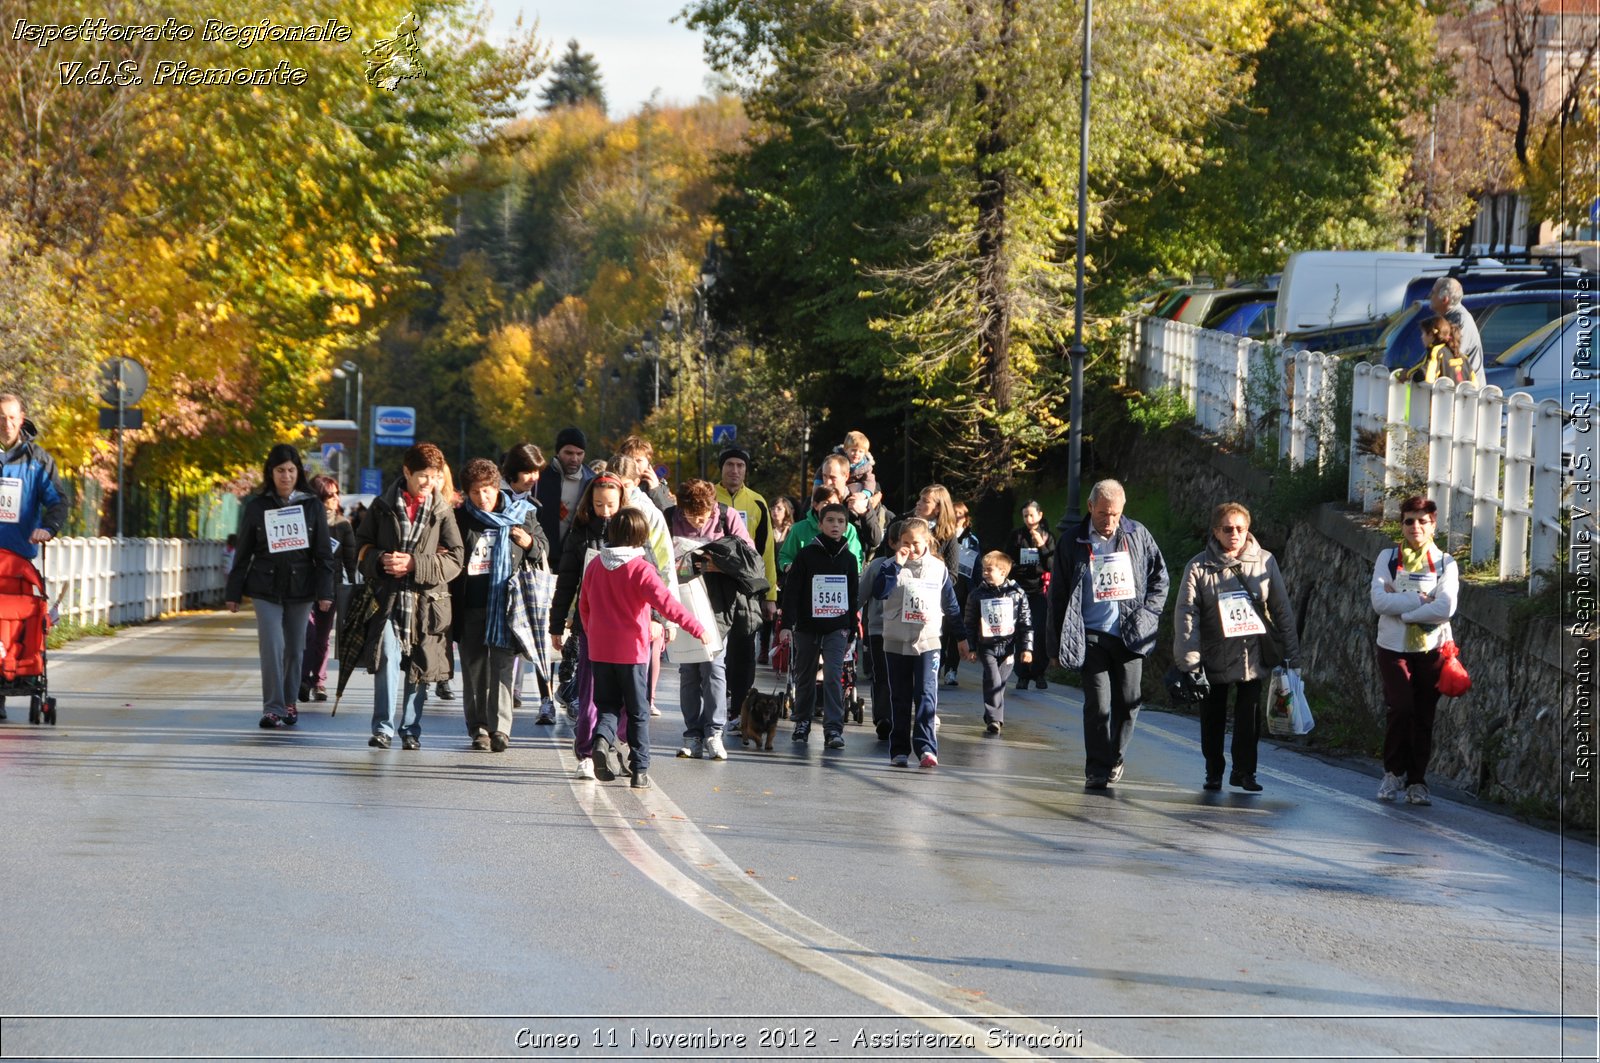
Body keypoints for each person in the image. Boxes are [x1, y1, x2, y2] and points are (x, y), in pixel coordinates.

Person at [1048, 479, 1169, 789]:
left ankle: (1115, 756)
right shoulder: (1072, 540)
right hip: (1090, 634)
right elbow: (1058, 595)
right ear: (1090, 508)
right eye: (1103, 513)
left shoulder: (1137, 534)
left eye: (1115, 514)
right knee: (1098, 705)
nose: (1109, 520)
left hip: (1130, 632)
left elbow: (1160, 577)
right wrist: (1054, 645)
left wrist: (1149, 613)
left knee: (1129, 701)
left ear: (1123, 510)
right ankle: (1097, 768)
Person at [1173, 502, 1300, 792]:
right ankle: (1213, 770)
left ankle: (1245, 772)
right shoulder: (1198, 567)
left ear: (1248, 530)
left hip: (1251, 655)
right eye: (1228, 529)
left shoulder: (1265, 562)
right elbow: (1186, 616)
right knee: (1212, 716)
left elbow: (1282, 609)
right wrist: (1190, 661)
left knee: (1249, 717)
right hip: (1213, 655)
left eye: (1240, 529)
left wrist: (1293, 654)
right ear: (1216, 531)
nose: (1235, 534)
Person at [579, 508, 710, 788]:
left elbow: (584, 606)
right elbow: (668, 606)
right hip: (632, 652)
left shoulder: (595, 565)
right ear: (640, 536)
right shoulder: (641, 569)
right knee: (638, 712)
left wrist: (593, 633)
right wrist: (697, 629)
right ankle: (640, 771)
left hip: (600, 650)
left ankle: (602, 741)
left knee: (608, 707)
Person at [355, 443, 464, 750]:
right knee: (387, 655)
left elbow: (456, 559)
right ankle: (383, 728)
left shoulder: (442, 511)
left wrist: (416, 564)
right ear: (406, 472)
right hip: (387, 598)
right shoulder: (381, 505)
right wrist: (379, 560)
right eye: (422, 476)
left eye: (433, 476)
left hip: (426, 602)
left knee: (419, 662)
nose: (428, 483)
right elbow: (360, 548)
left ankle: (410, 729)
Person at [224, 444, 336, 729]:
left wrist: (325, 592)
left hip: (302, 586)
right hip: (264, 586)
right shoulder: (258, 506)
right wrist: (233, 593)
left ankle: (289, 702)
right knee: (272, 645)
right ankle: (272, 707)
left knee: (295, 647)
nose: (285, 476)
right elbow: (243, 551)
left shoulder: (311, 505)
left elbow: (323, 553)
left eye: (290, 470)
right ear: (270, 473)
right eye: (279, 471)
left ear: (298, 472)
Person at [451, 458, 545, 752]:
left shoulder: (522, 513)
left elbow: (543, 547)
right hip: (470, 604)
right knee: (475, 668)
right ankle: (479, 728)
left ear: (497, 487)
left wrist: (528, 542)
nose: (483, 498)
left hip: (507, 604)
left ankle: (501, 729)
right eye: (476, 492)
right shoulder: (459, 519)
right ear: (467, 493)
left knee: (503, 667)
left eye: (488, 491)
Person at [1371, 495, 1459, 806]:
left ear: (1433, 524)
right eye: (1409, 520)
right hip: (1393, 647)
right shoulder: (1388, 558)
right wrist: (1422, 601)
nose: (1416, 526)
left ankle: (1417, 781)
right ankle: (1392, 772)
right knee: (1401, 707)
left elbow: (1446, 607)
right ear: (1402, 524)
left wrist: (1406, 610)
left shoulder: (1447, 562)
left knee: (1423, 715)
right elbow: (1379, 602)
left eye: (1423, 520)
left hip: (1431, 649)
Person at [665, 478, 755, 760]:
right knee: (689, 670)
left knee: (714, 667)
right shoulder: (669, 518)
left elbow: (749, 558)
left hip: (718, 603)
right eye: (689, 516)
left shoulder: (727, 517)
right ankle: (693, 734)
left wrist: (716, 564)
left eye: (701, 517)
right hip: (682, 602)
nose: (695, 522)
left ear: (712, 507)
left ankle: (714, 732)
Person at [550, 474, 628, 778]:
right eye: (598, 504)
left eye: (611, 504)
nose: (605, 511)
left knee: (627, 694)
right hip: (591, 625)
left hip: (626, 627)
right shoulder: (580, 534)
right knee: (590, 691)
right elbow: (567, 581)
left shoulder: (633, 531)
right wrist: (557, 623)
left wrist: (656, 619)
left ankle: (618, 744)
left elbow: (651, 578)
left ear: (621, 502)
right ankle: (585, 751)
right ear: (589, 502)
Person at [873, 517, 967, 769]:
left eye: (916, 543)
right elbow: (880, 592)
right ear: (897, 544)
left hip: (928, 640)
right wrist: (896, 566)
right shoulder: (890, 566)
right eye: (905, 543)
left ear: (927, 541)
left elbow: (951, 604)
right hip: (895, 639)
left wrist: (962, 637)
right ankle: (899, 750)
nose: (911, 548)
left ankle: (927, 748)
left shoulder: (939, 569)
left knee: (926, 694)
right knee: (900, 697)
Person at [0, 393, 67, 720]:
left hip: (18, 561)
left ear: (22, 417)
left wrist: (48, 528)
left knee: (14, 625)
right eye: (1, 417)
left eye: (12, 418)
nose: (7, 424)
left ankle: (17, 674)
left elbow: (57, 502)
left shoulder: (38, 461)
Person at [779, 502, 860, 748]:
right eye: (830, 521)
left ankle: (833, 729)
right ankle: (802, 721)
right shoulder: (806, 556)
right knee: (804, 675)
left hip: (837, 627)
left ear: (846, 527)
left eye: (840, 522)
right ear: (821, 524)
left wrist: (852, 628)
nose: (835, 525)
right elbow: (792, 592)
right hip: (808, 627)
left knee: (834, 676)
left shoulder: (849, 559)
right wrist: (786, 624)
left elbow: (852, 594)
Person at [715, 447, 778, 719]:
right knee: (715, 650)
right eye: (730, 464)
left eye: (740, 465)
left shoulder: (757, 502)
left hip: (746, 588)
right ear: (721, 468)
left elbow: (767, 552)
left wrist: (770, 595)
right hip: (713, 584)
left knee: (743, 650)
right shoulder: (708, 497)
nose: (735, 470)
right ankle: (718, 701)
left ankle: (740, 706)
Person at [500, 443, 557, 722]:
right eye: (529, 472)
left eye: (538, 472)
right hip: (498, 584)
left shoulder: (529, 505)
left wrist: (530, 543)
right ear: (514, 471)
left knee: (538, 641)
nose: (535, 478)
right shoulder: (494, 498)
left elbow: (543, 544)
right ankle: (502, 701)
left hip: (525, 585)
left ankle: (547, 700)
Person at [299, 475, 357, 703]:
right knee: (307, 634)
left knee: (322, 637)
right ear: (317, 497)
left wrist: (353, 586)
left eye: (336, 494)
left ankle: (319, 681)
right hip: (303, 587)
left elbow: (351, 559)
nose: (335, 498)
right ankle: (303, 679)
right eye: (329, 495)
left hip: (331, 588)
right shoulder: (302, 520)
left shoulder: (342, 525)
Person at [962, 550, 1033, 735]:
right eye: (984, 570)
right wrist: (971, 647)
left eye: (989, 570)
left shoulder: (1017, 594)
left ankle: (990, 713)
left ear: (1003, 572)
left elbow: (1026, 623)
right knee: (993, 680)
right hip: (987, 647)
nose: (985, 573)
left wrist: (1026, 648)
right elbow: (969, 623)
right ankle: (995, 719)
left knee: (998, 683)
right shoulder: (977, 595)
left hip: (1008, 648)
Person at [859, 521, 902, 741]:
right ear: (892, 543)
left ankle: (900, 716)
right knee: (882, 674)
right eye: (904, 542)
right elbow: (861, 594)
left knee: (902, 676)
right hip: (879, 629)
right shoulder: (877, 566)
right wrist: (848, 619)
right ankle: (883, 718)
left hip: (909, 632)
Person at [1005, 500, 1055, 691]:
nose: (1028, 519)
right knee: (1020, 632)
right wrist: (1020, 569)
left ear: (1040, 515)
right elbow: (1007, 560)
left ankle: (1039, 673)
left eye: (1032, 515)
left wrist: (1042, 546)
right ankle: (1022, 675)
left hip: (1039, 592)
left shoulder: (1047, 536)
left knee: (1039, 632)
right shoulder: (1017, 536)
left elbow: (1051, 564)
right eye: (1025, 515)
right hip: (1020, 591)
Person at [535, 426, 595, 557]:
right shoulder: (540, 478)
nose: (574, 459)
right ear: (558, 452)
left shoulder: (591, 482)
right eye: (568, 453)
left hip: (575, 557)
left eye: (579, 454)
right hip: (543, 555)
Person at [778, 484, 864, 573]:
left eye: (835, 503)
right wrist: (788, 566)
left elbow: (856, 560)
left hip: (840, 581)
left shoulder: (849, 529)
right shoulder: (799, 528)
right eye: (826, 503)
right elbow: (785, 556)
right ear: (815, 505)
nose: (831, 507)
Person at [1427, 277, 1484, 385]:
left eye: (1433, 292)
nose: (1430, 296)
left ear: (1444, 299)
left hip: (1468, 392)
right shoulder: (1446, 318)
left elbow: (1451, 356)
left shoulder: (1461, 320)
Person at [1401, 316, 1475, 386]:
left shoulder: (1436, 351)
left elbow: (1426, 376)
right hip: (1462, 399)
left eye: (1423, 333)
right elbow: (1475, 383)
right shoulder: (1462, 356)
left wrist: (1408, 374)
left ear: (1430, 335)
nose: (1421, 337)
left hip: (1443, 398)